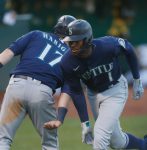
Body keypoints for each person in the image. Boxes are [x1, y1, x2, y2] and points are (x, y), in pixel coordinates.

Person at [44, 19, 147, 150]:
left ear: (87, 39)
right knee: (116, 142)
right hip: (93, 94)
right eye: (70, 41)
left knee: (100, 135)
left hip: (115, 90)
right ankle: (146, 145)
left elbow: (127, 48)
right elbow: (76, 92)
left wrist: (137, 79)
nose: (72, 45)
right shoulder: (67, 61)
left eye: (76, 41)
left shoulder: (107, 45)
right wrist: (85, 124)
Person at [0, 15, 93, 150]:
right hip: (42, 92)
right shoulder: (72, 57)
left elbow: (7, 53)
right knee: (50, 145)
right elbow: (67, 91)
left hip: (16, 84)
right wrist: (60, 118)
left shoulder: (36, 34)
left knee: (2, 139)